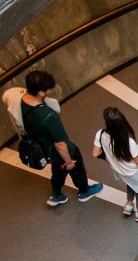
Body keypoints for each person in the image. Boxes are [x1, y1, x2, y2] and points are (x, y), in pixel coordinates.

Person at [20, 70, 103, 207]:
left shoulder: (22, 100)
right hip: (60, 152)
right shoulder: (49, 116)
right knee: (76, 168)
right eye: (47, 90)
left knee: (57, 172)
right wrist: (69, 161)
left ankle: (57, 194)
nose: (50, 91)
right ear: (41, 92)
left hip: (45, 149)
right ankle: (84, 191)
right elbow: (60, 144)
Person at [92, 107, 138, 222]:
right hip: (133, 170)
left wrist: (110, 158)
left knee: (130, 183)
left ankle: (129, 205)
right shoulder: (128, 142)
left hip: (119, 170)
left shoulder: (100, 134)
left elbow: (95, 153)